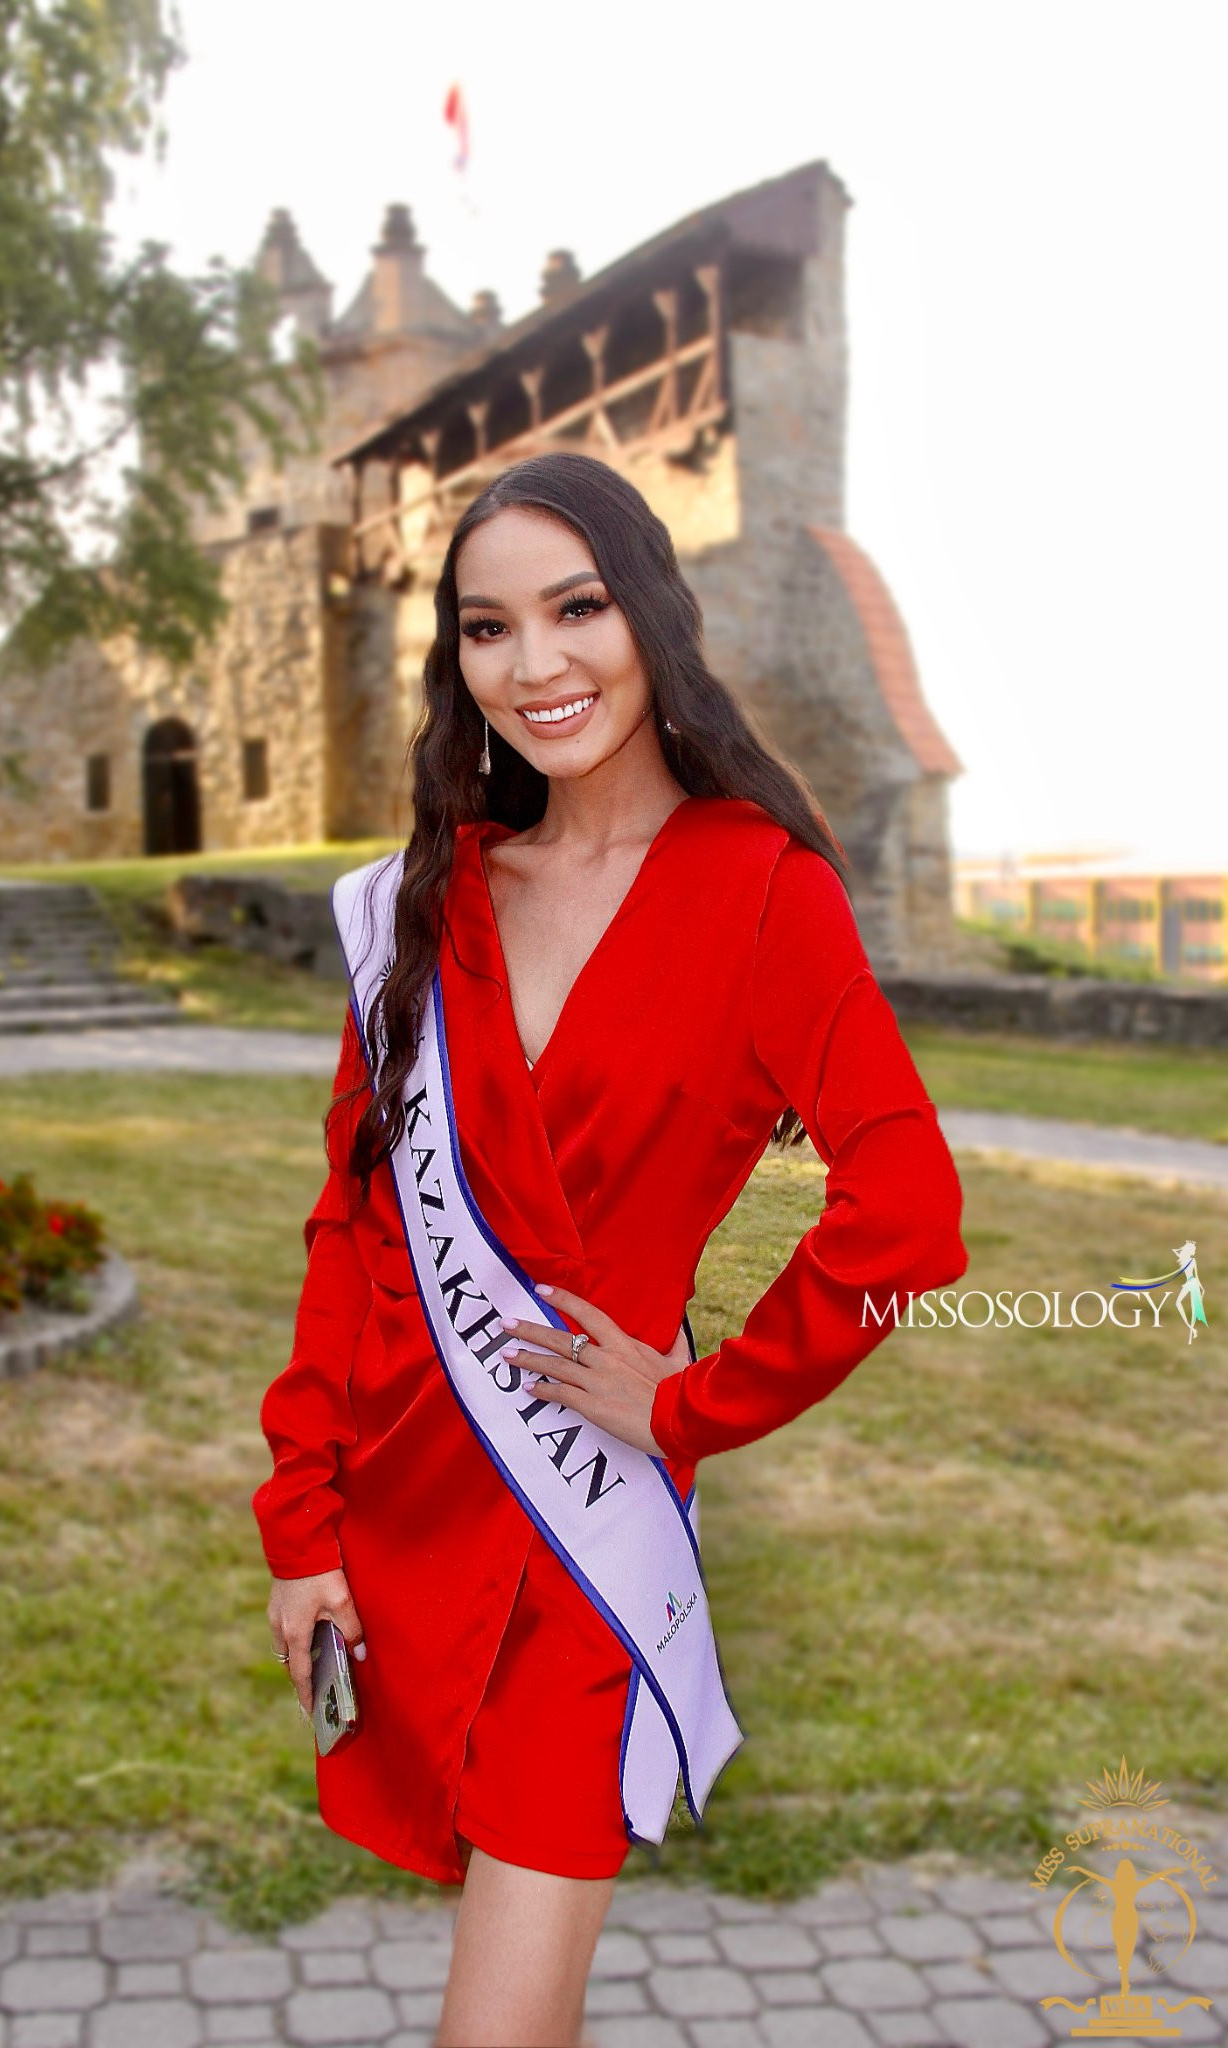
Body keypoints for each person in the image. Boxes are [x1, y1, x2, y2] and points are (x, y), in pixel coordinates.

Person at [254, 451, 969, 2048]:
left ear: (650, 612)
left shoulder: (759, 893)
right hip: (405, 1500)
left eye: (575, 609)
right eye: (487, 629)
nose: (536, 664)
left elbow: (905, 1216)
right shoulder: (430, 899)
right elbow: (356, 1223)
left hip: (578, 1525)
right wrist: (300, 1515)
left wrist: (686, 1408)